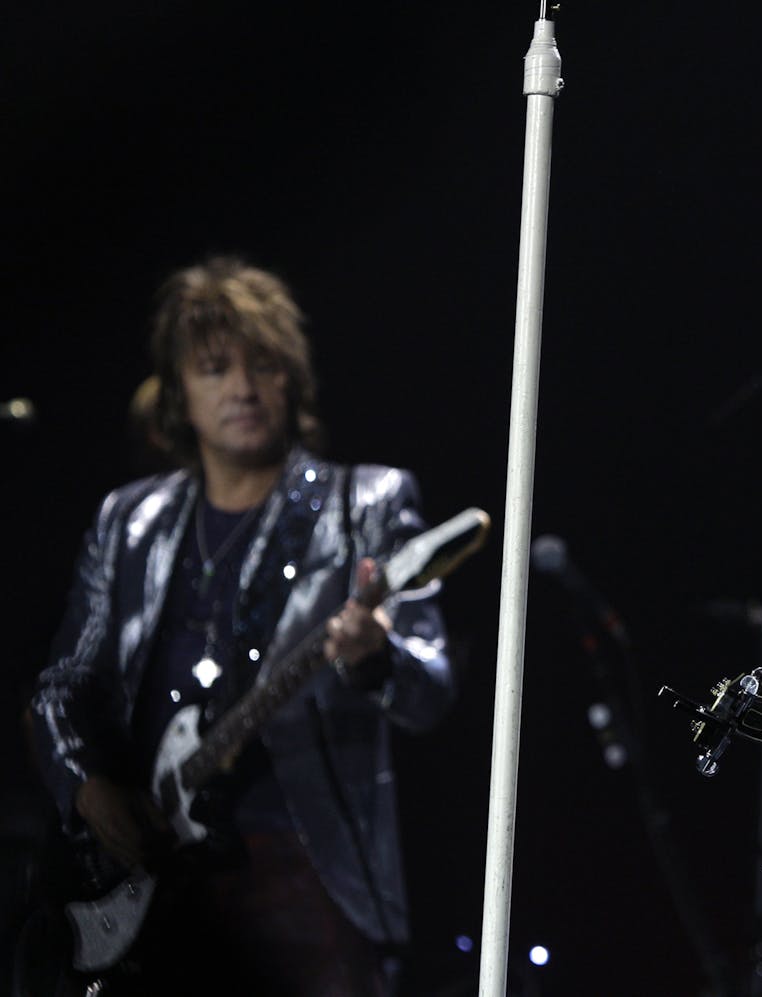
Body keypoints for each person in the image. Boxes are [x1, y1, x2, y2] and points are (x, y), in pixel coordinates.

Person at [29, 257, 455, 995]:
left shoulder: (367, 503)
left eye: (264, 365)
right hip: (152, 868)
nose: (243, 388)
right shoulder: (129, 520)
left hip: (304, 868)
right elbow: (63, 685)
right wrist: (85, 787)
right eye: (215, 368)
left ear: (294, 379)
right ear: (179, 394)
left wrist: (372, 657)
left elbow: (432, 688)